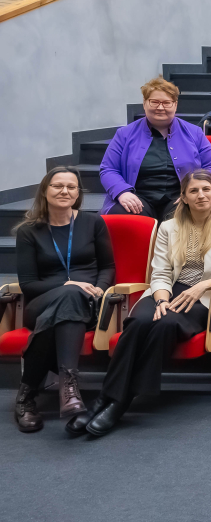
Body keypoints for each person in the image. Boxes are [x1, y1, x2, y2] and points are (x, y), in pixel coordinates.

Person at [81, 171, 211, 437]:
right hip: (166, 291)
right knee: (139, 322)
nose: (201, 195)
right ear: (183, 197)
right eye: (193, 191)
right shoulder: (168, 227)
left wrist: (201, 287)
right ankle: (105, 398)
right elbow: (160, 273)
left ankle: (119, 402)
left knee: (165, 324)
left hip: (205, 294)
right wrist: (161, 299)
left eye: (206, 189)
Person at [12, 168, 114, 432]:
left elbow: (107, 267)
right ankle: (69, 388)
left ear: (78, 193)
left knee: (70, 301)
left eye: (71, 187)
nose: (64, 191)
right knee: (69, 294)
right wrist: (67, 284)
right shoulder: (28, 231)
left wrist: (100, 289)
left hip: (87, 302)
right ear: (45, 190)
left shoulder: (93, 222)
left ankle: (26, 395)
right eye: (58, 186)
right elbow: (28, 284)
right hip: (41, 302)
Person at [101, 77, 211, 219]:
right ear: (144, 104)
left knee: (186, 215)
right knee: (124, 216)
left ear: (175, 105)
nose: (160, 107)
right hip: (136, 196)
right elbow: (108, 169)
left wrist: (192, 193)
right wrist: (122, 192)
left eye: (166, 103)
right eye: (154, 102)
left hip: (180, 197)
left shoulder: (195, 133)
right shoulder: (124, 134)